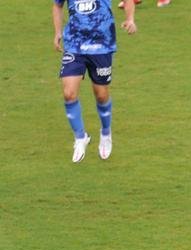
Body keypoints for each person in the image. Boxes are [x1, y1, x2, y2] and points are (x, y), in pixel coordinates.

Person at [53, 0, 136, 163]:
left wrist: (130, 18)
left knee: (101, 95)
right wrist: (57, 32)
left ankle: (106, 132)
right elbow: (57, 5)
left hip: (102, 45)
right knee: (69, 94)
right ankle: (80, 137)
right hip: (74, 45)